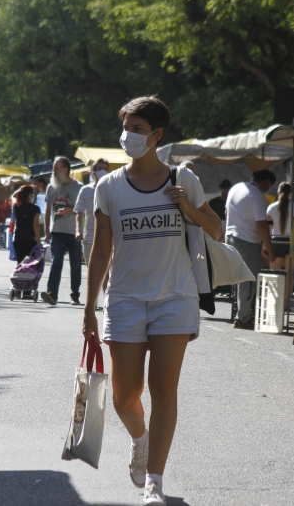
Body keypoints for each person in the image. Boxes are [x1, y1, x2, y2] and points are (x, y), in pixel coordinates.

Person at [83, 96, 221, 506]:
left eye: (138, 129)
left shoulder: (184, 178)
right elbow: (100, 247)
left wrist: (185, 205)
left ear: (157, 135)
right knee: (126, 396)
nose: (129, 136)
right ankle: (140, 442)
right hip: (124, 298)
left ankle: (154, 482)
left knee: (163, 388)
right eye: (126, 127)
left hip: (174, 298)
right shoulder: (107, 187)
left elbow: (215, 229)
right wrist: (89, 306)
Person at [225, 169, 277, 328]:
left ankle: (241, 312)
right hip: (247, 239)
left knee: (239, 278)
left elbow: (226, 211)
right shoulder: (256, 195)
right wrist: (270, 247)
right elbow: (261, 224)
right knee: (248, 278)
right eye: (270, 184)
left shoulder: (236, 188)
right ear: (266, 181)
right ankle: (243, 317)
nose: (269, 188)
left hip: (231, 235)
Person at [41, 156, 83, 306]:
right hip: (57, 231)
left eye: (56, 168)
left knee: (75, 265)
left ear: (65, 170)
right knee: (56, 262)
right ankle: (52, 293)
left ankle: (75, 294)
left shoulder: (78, 187)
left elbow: (82, 210)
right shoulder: (51, 187)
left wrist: (69, 210)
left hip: (74, 231)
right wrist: (46, 230)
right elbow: (47, 210)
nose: (53, 170)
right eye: (53, 168)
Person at [266, 182, 294, 307]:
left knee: (274, 273)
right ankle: (285, 303)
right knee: (290, 274)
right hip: (292, 242)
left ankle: (274, 302)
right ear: (291, 194)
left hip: (276, 241)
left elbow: (269, 228)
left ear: (278, 193)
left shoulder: (271, 208)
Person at [74, 158, 109, 265]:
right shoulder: (85, 190)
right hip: (89, 238)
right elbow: (79, 213)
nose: (102, 171)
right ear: (94, 172)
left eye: (105, 168)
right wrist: (78, 230)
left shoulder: (112, 189)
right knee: (92, 273)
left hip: (108, 238)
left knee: (108, 274)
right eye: (99, 168)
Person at [12, 184, 42, 271]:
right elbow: (36, 225)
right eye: (33, 194)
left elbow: (14, 195)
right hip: (30, 239)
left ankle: (19, 282)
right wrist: (39, 242)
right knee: (29, 264)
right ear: (29, 195)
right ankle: (27, 283)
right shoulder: (35, 208)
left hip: (18, 238)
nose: (33, 197)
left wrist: (22, 189)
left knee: (20, 263)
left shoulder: (16, 206)